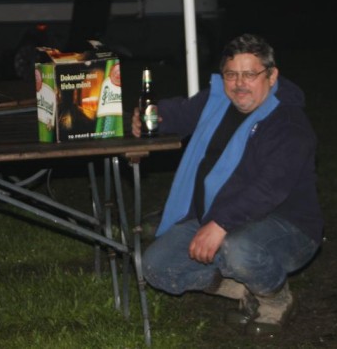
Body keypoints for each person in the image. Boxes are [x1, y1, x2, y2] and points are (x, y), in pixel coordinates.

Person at [131, 33, 323, 336]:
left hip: (287, 226)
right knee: (157, 266)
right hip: (219, 215)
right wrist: (152, 116)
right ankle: (245, 290)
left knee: (239, 249)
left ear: (272, 76)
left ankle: (275, 299)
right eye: (231, 74)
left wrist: (220, 224)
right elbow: (179, 113)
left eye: (250, 74)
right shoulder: (217, 100)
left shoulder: (287, 123)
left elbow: (269, 188)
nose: (239, 84)